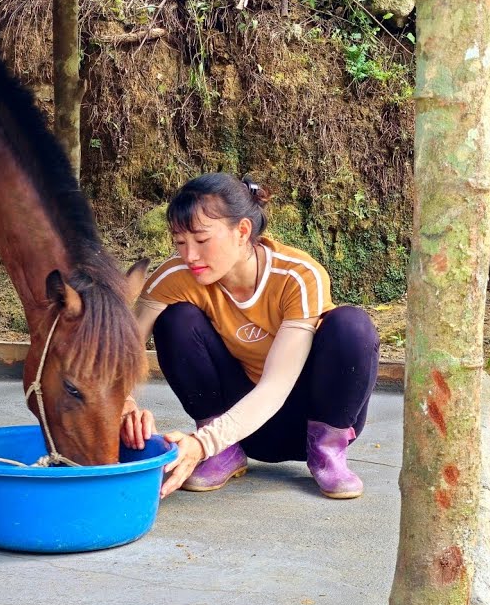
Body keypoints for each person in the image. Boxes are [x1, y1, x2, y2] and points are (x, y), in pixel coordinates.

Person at [119, 173, 380, 500]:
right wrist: (124, 404)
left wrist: (201, 445)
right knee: (174, 319)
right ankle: (223, 455)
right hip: (237, 430)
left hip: (305, 417)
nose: (190, 256)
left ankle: (327, 451)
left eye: (201, 240)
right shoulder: (174, 277)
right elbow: (122, 355)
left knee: (352, 325)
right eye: (179, 242)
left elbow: (275, 387)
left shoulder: (297, 276)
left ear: (242, 231)